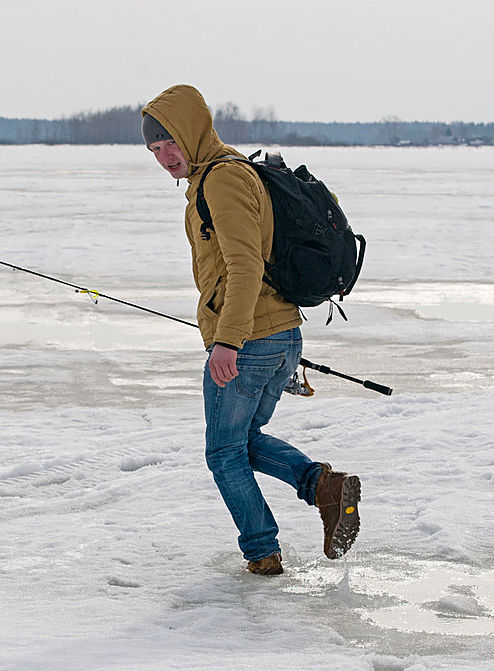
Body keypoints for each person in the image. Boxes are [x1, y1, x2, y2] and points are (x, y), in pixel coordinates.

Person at [141, 85, 361, 575]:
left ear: (194, 130)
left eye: (170, 142)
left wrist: (228, 341)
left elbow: (245, 266)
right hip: (275, 336)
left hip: (251, 340)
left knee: (223, 452)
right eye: (155, 150)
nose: (165, 156)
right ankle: (321, 486)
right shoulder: (218, 174)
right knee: (241, 440)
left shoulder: (222, 179)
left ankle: (262, 550)